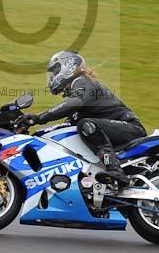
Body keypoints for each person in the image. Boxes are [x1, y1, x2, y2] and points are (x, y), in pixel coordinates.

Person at [16, 50, 146, 184]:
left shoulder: (82, 82)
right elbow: (67, 126)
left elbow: (73, 104)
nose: (53, 76)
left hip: (130, 128)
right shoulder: (77, 93)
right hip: (115, 130)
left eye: (55, 72)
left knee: (86, 125)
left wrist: (38, 118)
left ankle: (115, 170)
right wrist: (38, 135)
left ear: (68, 66)